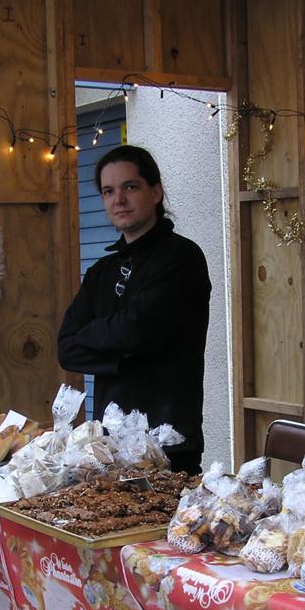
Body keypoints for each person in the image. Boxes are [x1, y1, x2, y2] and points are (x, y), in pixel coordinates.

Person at [57, 145, 211, 474]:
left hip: (168, 443)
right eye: (108, 191)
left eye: (130, 186)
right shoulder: (101, 272)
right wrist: (124, 348)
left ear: (155, 192)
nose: (119, 200)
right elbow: (67, 348)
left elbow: (138, 330)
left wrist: (101, 338)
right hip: (108, 447)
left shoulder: (182, 258)